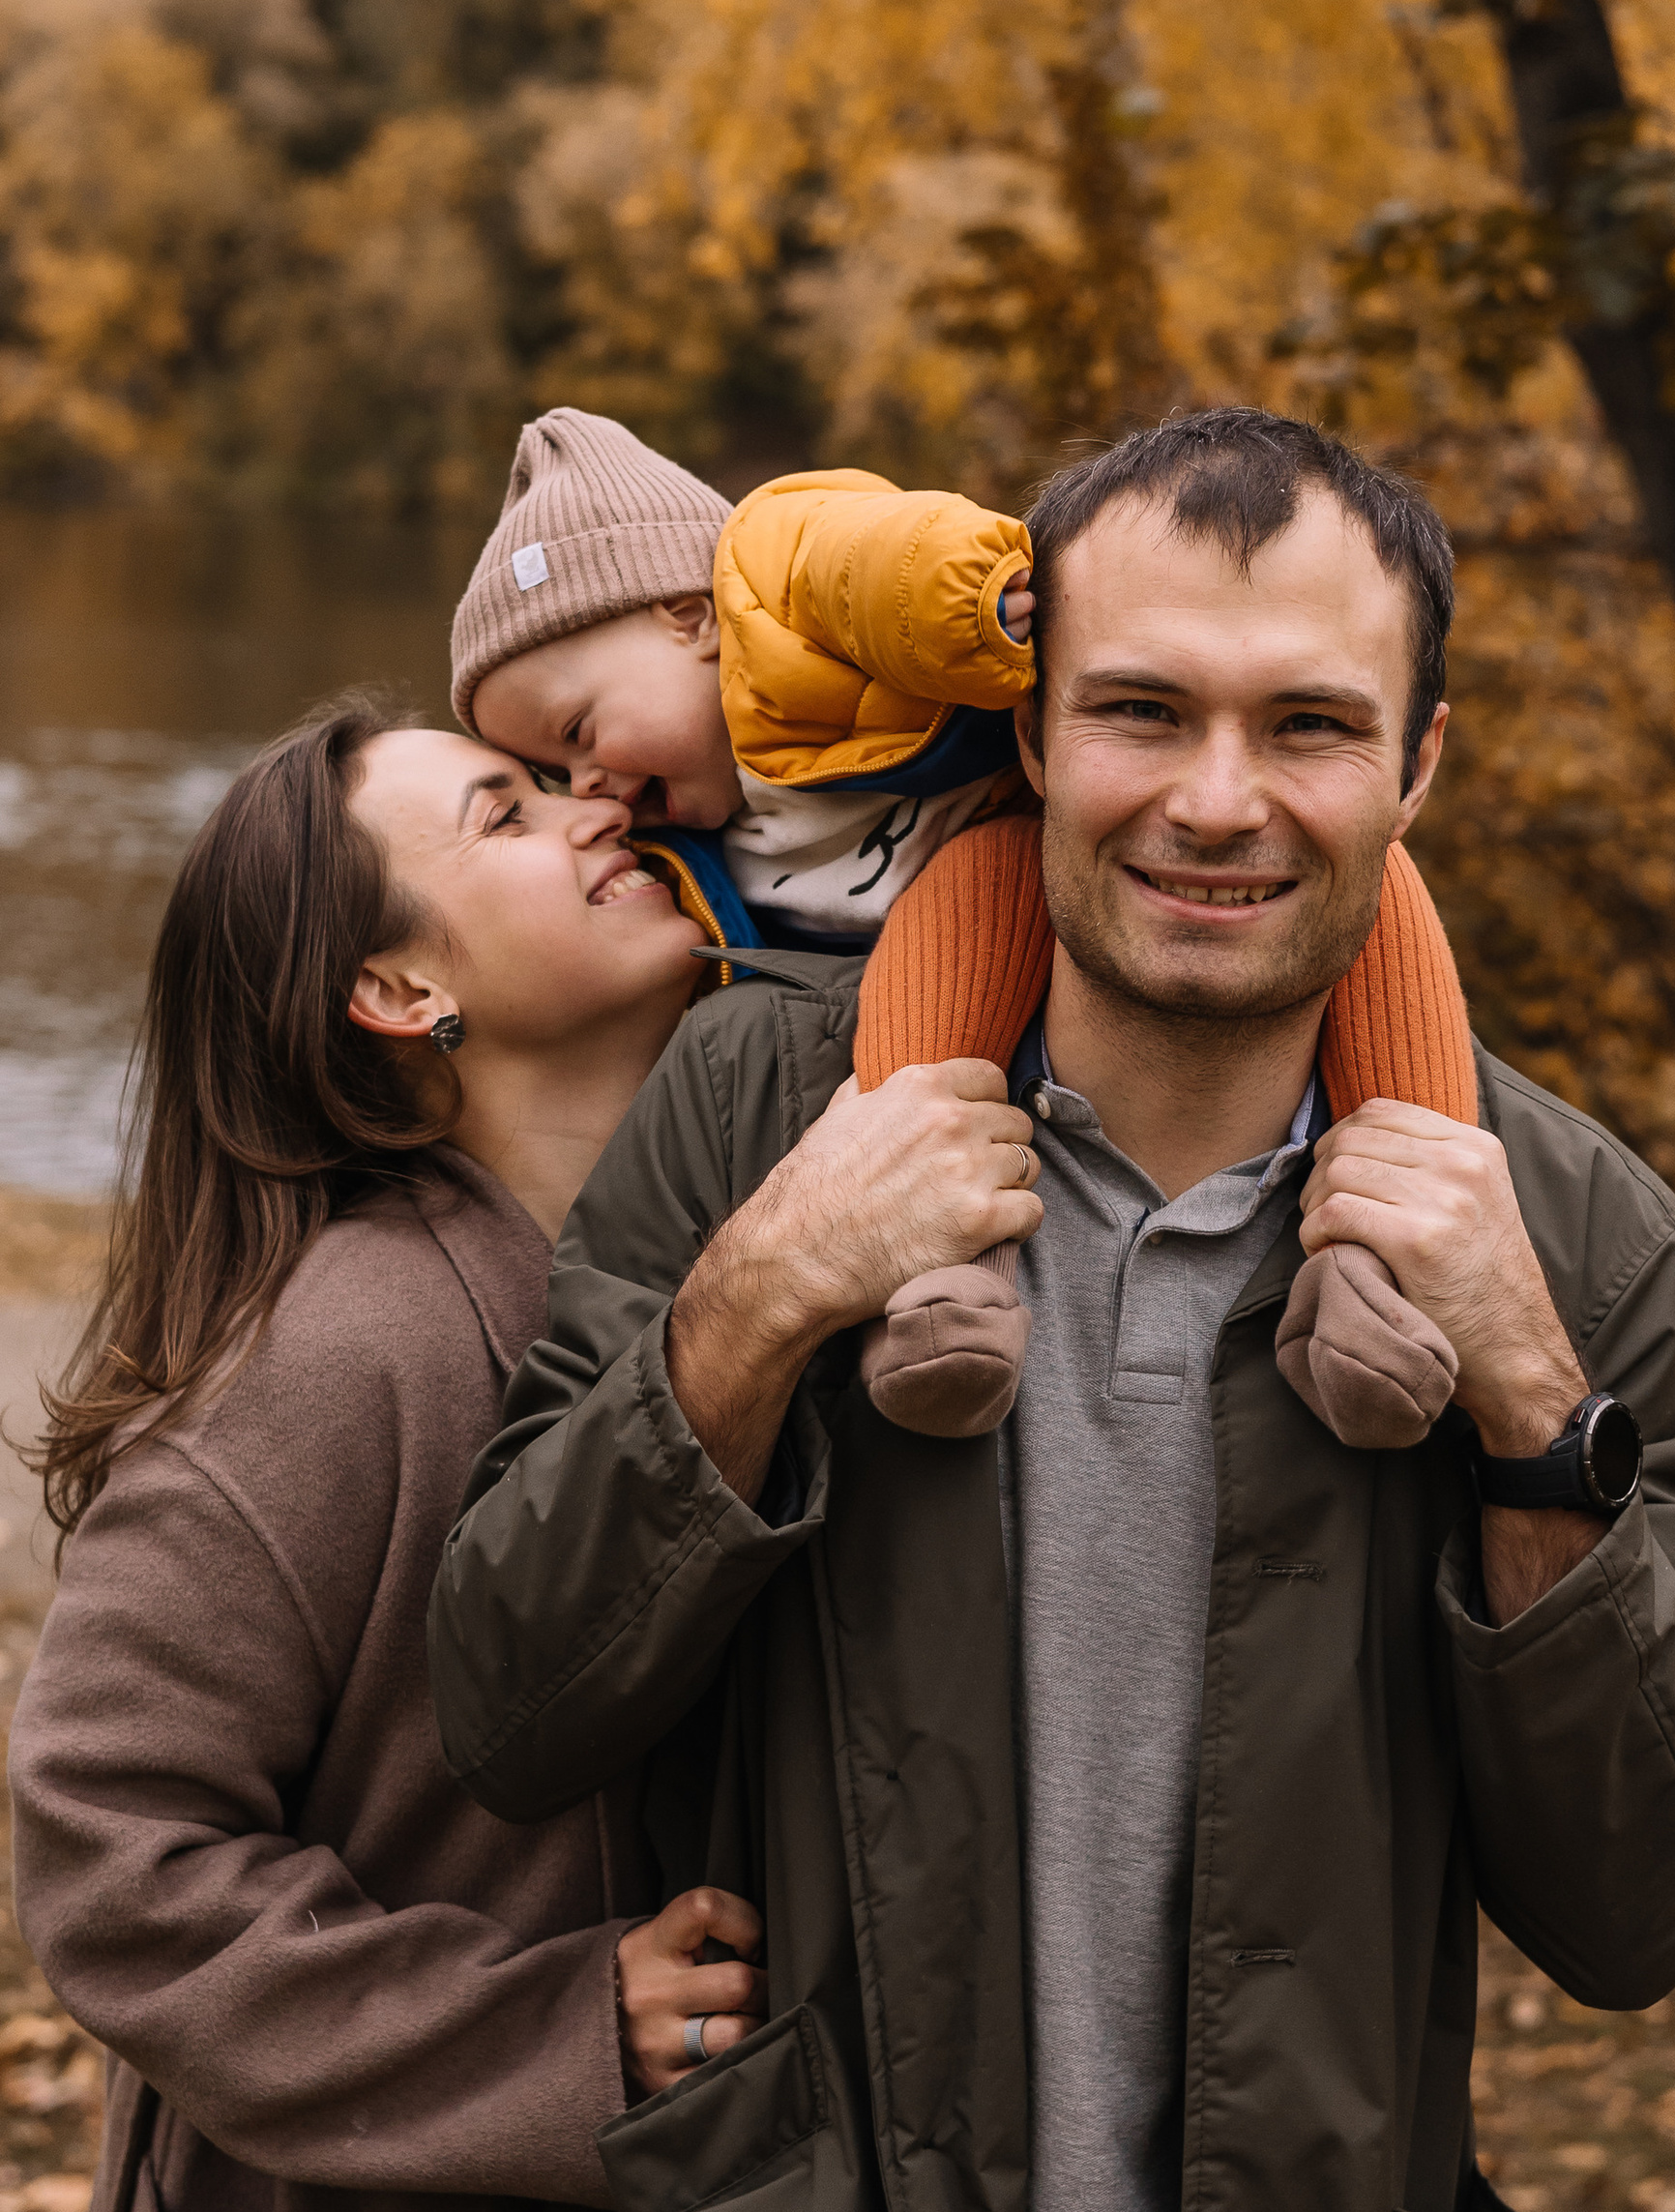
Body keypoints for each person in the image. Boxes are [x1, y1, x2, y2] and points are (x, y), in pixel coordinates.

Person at [420, 411, 1675, 2212]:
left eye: (1307, 723)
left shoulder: (1555, 1223)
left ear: (1414, 758)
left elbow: (1644, 1904)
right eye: (1141, 709)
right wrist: (757, 1299)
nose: (1214, 799)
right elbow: (508, 1697)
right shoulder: (758, 1107)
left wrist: (1524, 1398)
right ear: (1025, 726)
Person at [10, 695, 772, 2212]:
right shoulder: (341, 1356)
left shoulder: (729, 1267)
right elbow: (108, 1852)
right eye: (508, 808)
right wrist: (550, 2032)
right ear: (399, 990)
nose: (599, 810)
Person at [455, 404, 1466, 1446]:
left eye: (578, 732)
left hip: (995, 852)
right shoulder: (694, 895)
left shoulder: (766, 581)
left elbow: (875, 559)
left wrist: (976, 605)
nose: (591, 790)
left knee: (1378, 917)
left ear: (684, 616)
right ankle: (948, 1288)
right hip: (949, 948)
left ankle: (1388, 1266)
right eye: (548, 774)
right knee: (939, 1013)